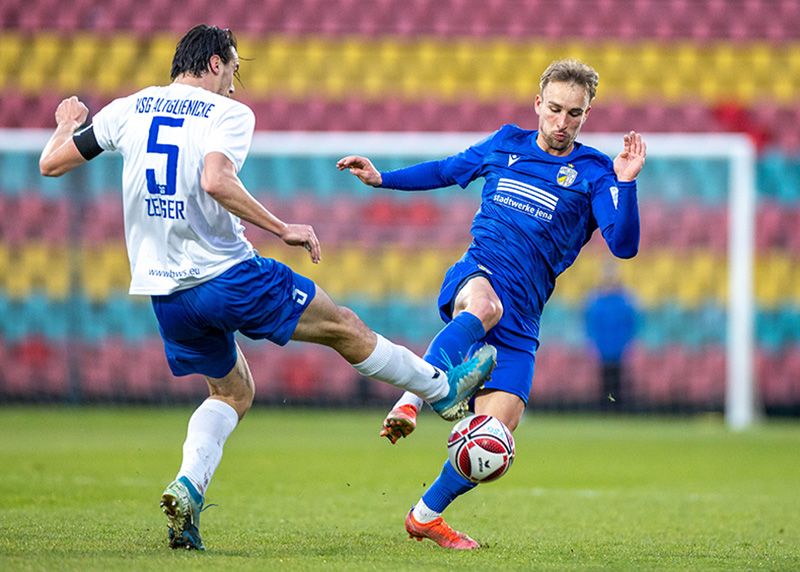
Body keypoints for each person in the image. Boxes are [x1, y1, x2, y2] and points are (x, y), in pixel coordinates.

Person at [38, 24, 496, 551]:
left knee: (232, 391)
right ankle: (441, 390)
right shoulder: (228, 114)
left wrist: (68, 123)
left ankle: (188, 489)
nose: (235, 84)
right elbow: (215, 179)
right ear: (214, 63)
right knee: (345, 327)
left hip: (166, 294)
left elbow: (51, 163)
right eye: (233, 69)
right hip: (231, 276)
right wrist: (283, 228)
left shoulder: (127, 109)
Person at [337, 58, 646, 549]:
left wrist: (626, 182)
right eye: (555, 109)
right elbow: (446, 169)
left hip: (525, 317)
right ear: (537, 104)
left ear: (587, 115)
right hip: (478, 274)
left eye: (575, 114)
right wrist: (382, 178)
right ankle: (412, 399)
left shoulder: (594, 172)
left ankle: (424, 516)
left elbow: (624, 245)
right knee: (484, 308)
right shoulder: (506, 143)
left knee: (492, 441)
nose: (562, 123)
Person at [584, 260, 639, 409]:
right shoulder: (596, 300)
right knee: (604, 380)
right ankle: (606, 407)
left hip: (619, 347)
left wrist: (629, 343)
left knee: (618, 380)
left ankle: (617, 408)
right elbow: (590, 324)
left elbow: (632, 323)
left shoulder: (625, 300)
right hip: (603, 347)